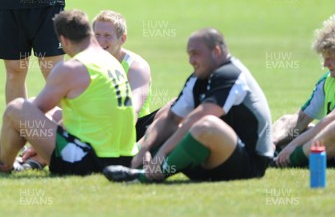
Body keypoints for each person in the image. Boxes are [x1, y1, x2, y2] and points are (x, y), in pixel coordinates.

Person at [103, 28, 273, 183]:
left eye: (196, 54)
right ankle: (135, 162)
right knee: (170, 111)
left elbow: (202, 116)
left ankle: (144, 176)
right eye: (189, 54)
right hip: (212, 160)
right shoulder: (198, 77)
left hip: (248, 163)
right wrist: (145, 147)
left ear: (217, 51)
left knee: (206, 125)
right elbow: (172, 118)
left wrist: (163, 152)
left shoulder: (231, 74)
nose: (191, 60)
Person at [0, 9, 137, 175]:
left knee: (16, 109)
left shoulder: (73, 67)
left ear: (64, 40)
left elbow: (28, 113)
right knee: (47, 112)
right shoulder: (111, 61)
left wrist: (2, 142)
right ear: (90, 34)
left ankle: (1, 164)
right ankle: (22, 160)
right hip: (125, 158)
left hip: (89, 161)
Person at [274, 15, 335, 167]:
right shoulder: (328, 81)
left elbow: (333, 119)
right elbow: (302, 118)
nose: (325, 64)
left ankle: (286, 161)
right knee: (286, 120)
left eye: (331, 58)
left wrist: (293, 145)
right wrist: (275, 140)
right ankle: (266, 152)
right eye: (324, 58)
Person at [92, 10, 157, 139]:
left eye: (107, 35)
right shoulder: (88, 62)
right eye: (97, 35)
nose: (100, 41)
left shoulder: (136, 68)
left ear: (122, 39)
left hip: (134, 130)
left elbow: (132, 110)